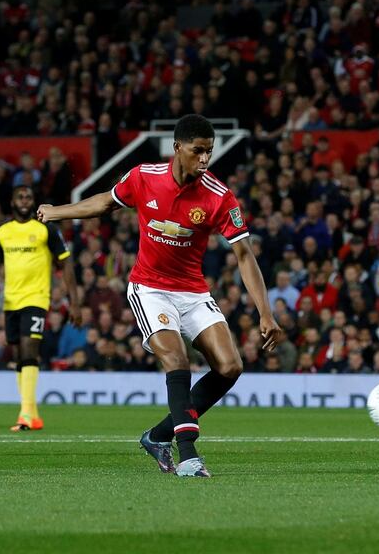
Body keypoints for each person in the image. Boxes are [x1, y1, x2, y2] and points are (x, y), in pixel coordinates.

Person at [37, 114, 282, 478]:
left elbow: (244, 255)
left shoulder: (219, 197)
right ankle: (188, 456)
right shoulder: (144, 177)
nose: (204, 159)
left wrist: (265, 312)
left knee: (230, 367)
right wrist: (57, 212)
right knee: (177, 361)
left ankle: (157, 436)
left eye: (209, 152)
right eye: (198, 151)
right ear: (178, 148)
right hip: (149, 289)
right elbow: (106, 201)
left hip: (193, 291)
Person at [0, 186, 79, 431]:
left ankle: (24, 414)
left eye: (29, 197)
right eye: (20, 197)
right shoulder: (3, 231)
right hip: (11, 301)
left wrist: (74, 302)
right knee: (18, 354)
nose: (25, 201)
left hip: (36, 298)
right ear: (12, 201)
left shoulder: (46, 229)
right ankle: (33, 414)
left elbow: (66, 265)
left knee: (28, 348)